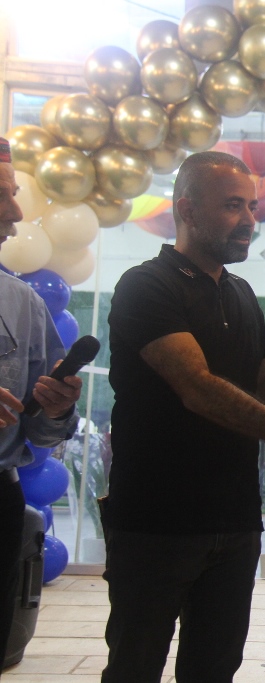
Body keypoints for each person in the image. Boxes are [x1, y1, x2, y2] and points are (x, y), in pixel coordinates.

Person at [101, 151, 265, 683]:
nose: (249, 219)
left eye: (251, 206)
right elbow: (199, 390)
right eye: (232, 206)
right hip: (155, 522)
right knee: (135, 666)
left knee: (215, 669)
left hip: (234, 522)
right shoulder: (146, 285)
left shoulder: (241, 294)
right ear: (186, 210)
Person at [0, 136, 83, 670]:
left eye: (14, 193)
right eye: (2, 195)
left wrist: (57, 408)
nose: (15, 212)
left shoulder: (20, 302)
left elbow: (41, 431)